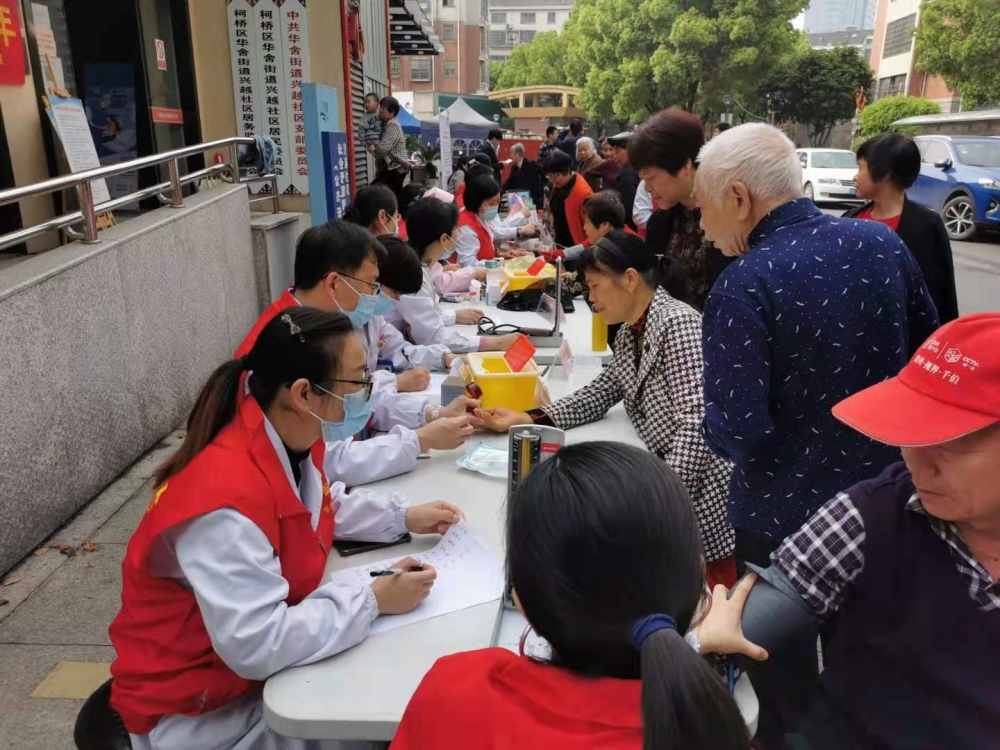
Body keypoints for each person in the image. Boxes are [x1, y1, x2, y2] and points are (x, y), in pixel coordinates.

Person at [110, 306, 465, 750]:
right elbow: (257, 643)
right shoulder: (222, 505)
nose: (365, 393)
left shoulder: (285, 434)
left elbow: (309, 504)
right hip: (204, 713)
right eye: (357, 382)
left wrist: (400, 518)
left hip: (245, 681)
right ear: (304, 394)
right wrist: (370, 600)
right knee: (401, 722)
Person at [730, 313, 1000, 749]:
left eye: (949, 443)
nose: (915, 462)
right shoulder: (876, 513)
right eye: (910, 433)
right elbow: (775, 599)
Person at [392, 442, 759, 750]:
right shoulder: (710, 725)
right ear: (699, 577)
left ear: (521, 601)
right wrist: (694, 643)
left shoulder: (455, 691)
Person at [694, 122, 940, 567]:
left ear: (737, 198)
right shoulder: (882, 242)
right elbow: (928, 360)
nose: (702, 226)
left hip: (784, 525)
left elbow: (740, 433)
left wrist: (706, 424)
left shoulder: (742, 286)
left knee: (770, 638)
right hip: (883, 502)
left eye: (702, 208)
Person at [477, 230, 735, 580]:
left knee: (701, 605)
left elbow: (696, 423)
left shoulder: (679, 325)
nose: (591, 297)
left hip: (696, 500)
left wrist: (661, 501)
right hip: (667, 483)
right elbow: (602, 391)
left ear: (629, 280)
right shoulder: (632, 330)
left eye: (596, 286)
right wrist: (526, 417)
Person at [236, 221, 477, 486]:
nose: (374, 296)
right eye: (372, 285)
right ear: (334, 283)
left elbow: (359, 399)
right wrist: (420, 440)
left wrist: (433, 414)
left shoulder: (322, 328)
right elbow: (326, 460)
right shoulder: (286, 346)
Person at [843, 133, 959, 324]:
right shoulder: (851, 218)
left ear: (884, 173)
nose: (855, 176)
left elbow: (940, 294)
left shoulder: (925, 226)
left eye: (860, 168)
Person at [628, 107, 733, 311]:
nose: (648, 189)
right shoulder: (660, 223)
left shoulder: (732, 219)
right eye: (643, 180)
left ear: (685, 165)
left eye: (651, 178)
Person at [391, 197, 520, 354]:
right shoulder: (411, 275)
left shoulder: (421, 267)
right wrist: (494, 342)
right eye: (456, 230)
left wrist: (454, 316)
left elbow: (429, 314)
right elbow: (433, 337)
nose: (458, 235)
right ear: (444, 239)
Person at [454, 175, 536, 267]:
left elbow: (484, 249)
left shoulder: (481, 217)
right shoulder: (466, 226)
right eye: (491, 203)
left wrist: (501, 255)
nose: (495, 207)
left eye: (498, 202)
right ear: (476, 201)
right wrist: (499, 263)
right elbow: (467, 264)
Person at [543, 150, 594, 254]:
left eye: (557, 175)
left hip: (576, 248)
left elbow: (594, 230)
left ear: (568, 171)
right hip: (560, 243)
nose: (553, 180)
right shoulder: (557, 185)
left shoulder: (582, 193)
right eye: (550, 176)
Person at [370, 95, 409, 196]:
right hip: (389, 170)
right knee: (392, 197)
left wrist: (374, 149)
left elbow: (382, 150)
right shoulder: (384, 124)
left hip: (395, 169)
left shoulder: (393, 125)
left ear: (392, 112)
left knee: (376, 194)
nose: (381, 110)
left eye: (384, 108)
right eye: (380, 107)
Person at [606, 132, 641, 229]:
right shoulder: (637, 169)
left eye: (617, 152)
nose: (614, 157)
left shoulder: (627, 175)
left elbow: (629, 210)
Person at [502, 143, 545, 209]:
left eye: (512, 153)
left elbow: (542, 174)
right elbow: (510, 182)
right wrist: (500, 191)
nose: (511, 156)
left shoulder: (531, 164)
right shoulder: (514, 167)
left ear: (517, 154)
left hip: (531, 199)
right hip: (519, 199)